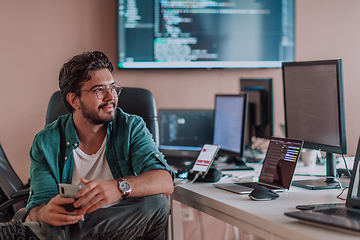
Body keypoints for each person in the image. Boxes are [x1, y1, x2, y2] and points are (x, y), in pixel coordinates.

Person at [16, 51, 175, 239]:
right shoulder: (46, 142)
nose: (111, 97)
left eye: (113, 87)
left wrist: (118, 188)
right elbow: (36, 210)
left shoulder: (131, 127)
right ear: (73, 100)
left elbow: (165, 181)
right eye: (99, 89)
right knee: (44, 223)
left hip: (125, 227)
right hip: (68, 223)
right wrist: (45, 212)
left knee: (157, 205)